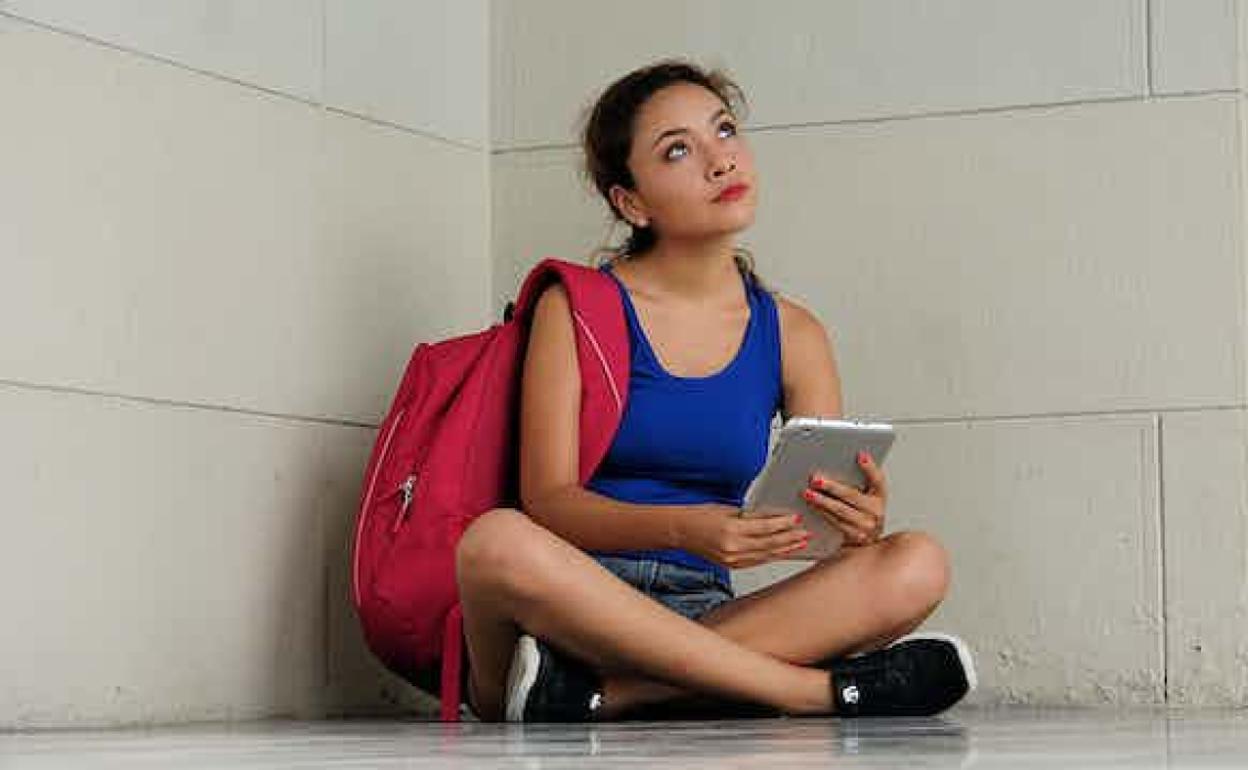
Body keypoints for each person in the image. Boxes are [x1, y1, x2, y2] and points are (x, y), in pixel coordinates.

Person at [455, 60, 975, 722]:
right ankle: (810, 693)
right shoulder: (576, 307)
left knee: (918, 563)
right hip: (571, 611)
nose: (720, 159)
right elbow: (549, 503)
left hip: (712, 615)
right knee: (495, 542)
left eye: (724, 130)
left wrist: (855, 527)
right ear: (631, 202)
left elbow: (815, 532)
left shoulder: (795, 333)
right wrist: (686, 528)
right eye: (678, 150)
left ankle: (604, 697)